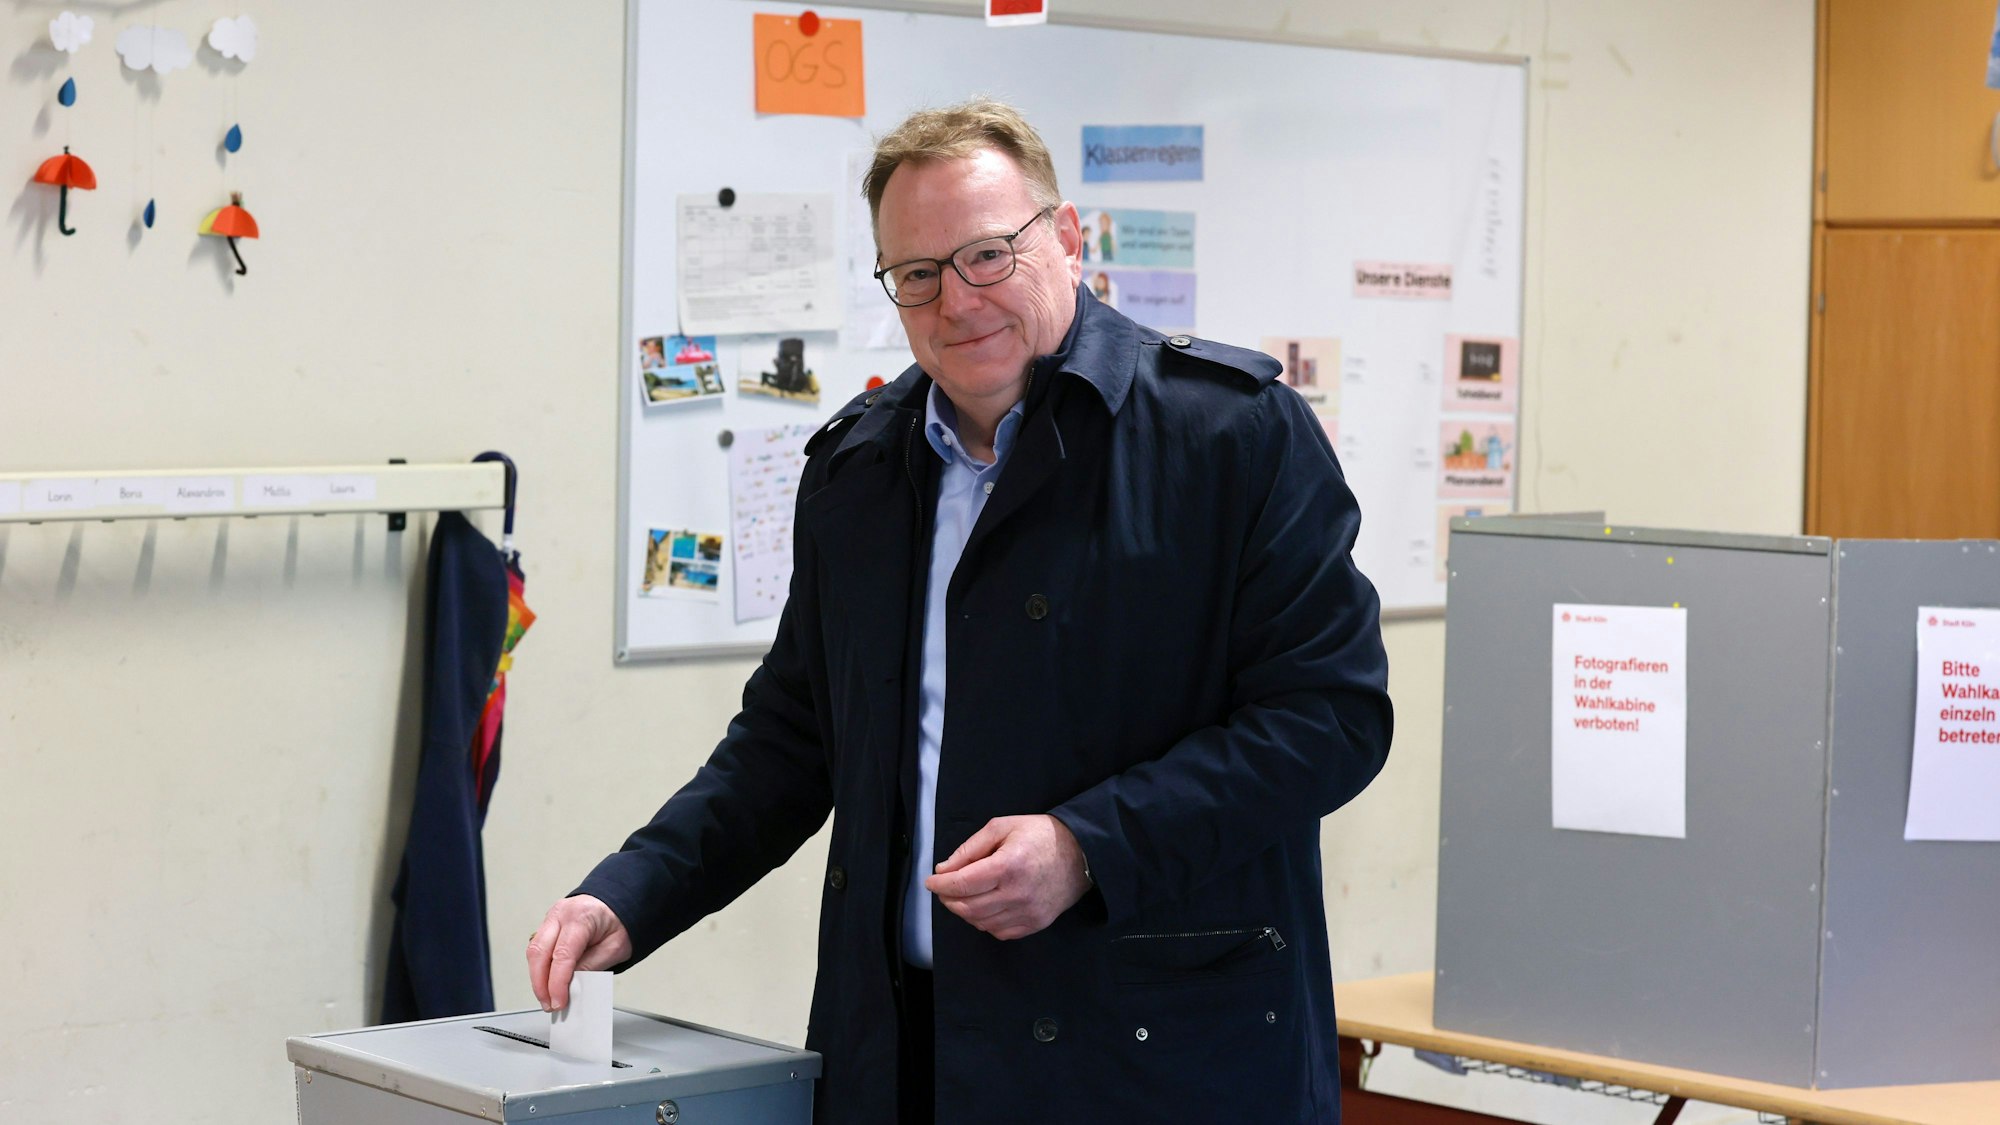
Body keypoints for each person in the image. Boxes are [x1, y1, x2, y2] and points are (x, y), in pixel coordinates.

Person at [527, 98, 1392, 1125]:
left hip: (1158, 1064)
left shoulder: (1229, 438)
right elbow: (792, 739)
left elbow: (1328, 721)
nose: (957, 300)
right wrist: (632, 892)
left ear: (1067, 239)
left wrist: (1088, 846)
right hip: (907, 1054)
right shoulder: (857, 471)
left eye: (988, 255)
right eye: (918, 275)